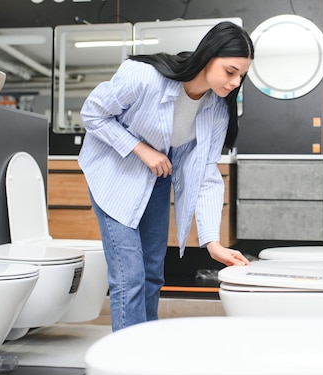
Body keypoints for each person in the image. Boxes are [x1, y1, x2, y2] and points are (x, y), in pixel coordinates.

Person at [78, 21, 254, 331]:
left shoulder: (216, 108)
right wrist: (140, 148)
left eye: (241, 75)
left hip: (157, 177)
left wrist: (212, 243)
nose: (235, 82)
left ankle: (146, 348)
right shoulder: (144, 77)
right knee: (129, 276)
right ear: (208, 56)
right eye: (230, 71)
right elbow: (92, 113)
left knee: (151, 273)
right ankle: (127, 362)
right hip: (114, 174)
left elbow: (206, 173)